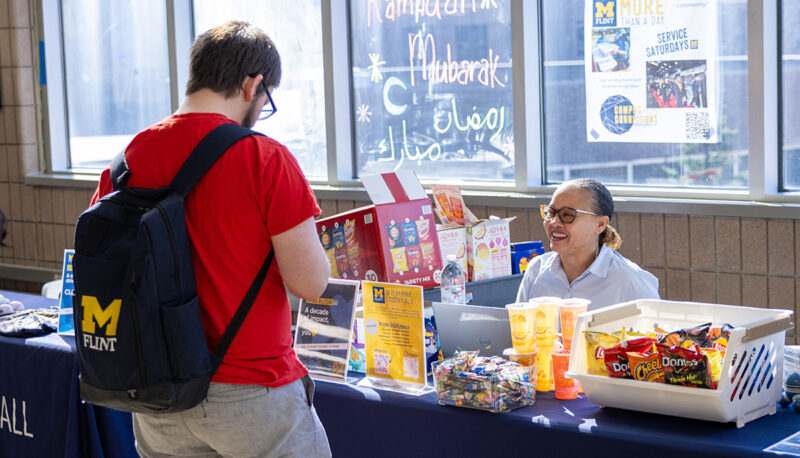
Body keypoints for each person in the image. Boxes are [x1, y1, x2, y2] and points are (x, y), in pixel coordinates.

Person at [89, 21, 332, 457]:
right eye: (266, 97)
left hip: (156, 393)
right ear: (251, 85)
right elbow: (310, 284)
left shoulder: (125, 162)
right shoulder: (264, 159)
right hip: (252, 393)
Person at [516, 179, 659, 310]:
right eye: (551, 212)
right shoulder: (536, 270)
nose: (553, 222)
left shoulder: (629, 280)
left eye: (567, 215)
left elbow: (662, 335)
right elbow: (517, 330)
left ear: (600, 224)